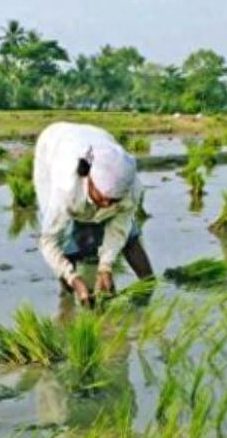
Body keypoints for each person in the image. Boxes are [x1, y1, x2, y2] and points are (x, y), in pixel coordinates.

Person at [34, 122, 154, 306]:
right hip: (53, 145)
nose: (106, 204)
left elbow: (119, 228)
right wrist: (73, 277)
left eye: (113, 201)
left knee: (130, 236)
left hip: (97, 137)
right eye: (103, 197)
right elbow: (48, 240)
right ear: (89, 178)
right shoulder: (65, 188)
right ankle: (70, 294)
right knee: (67, 241)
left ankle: (147, 291)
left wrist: (105, 268)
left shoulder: (131, 189)